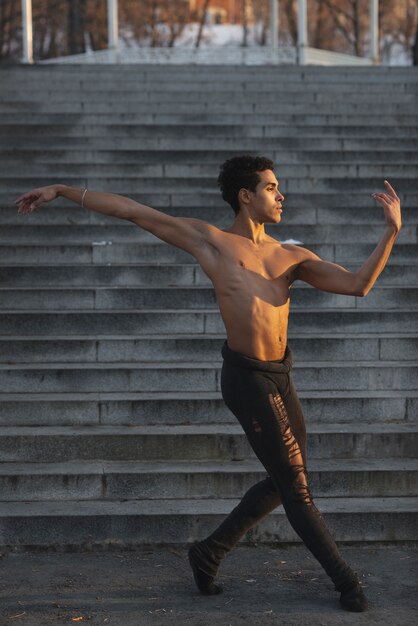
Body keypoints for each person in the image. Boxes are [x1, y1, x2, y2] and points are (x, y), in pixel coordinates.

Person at [15, 155, 402, 612]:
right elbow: (132, 210)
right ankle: (346, 582)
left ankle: (209, 551)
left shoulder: (291, 256)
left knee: (283, 481)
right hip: (245, 377)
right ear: (245, 195)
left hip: (281, 374)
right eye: (272, 187)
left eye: (280, 188)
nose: (281, 195)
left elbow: (359, 285)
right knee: (296, 486)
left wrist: (391, 232)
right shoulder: (212, 243)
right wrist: (61, 189)